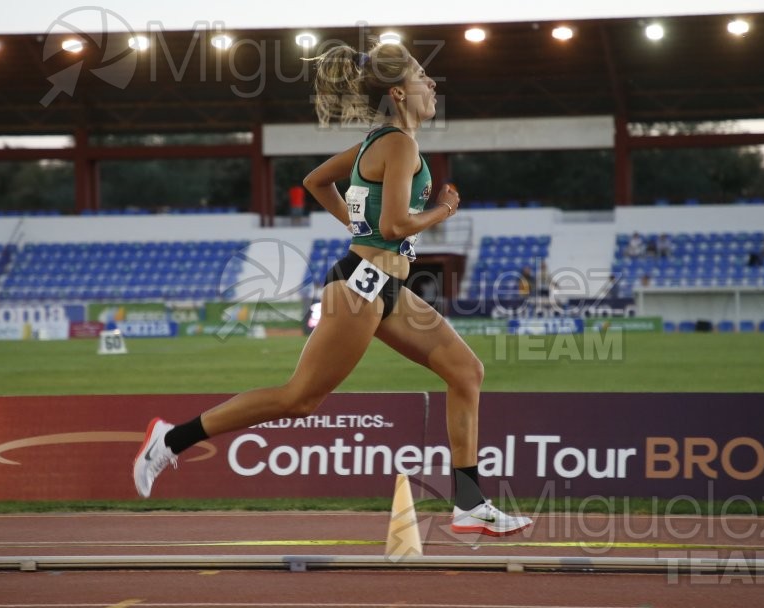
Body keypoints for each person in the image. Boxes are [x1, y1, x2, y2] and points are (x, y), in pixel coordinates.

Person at [133, 42, 532, 537]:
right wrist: (444, 210)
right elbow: (395, 225)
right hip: (359, 290)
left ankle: (470, 505)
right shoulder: (398, 145)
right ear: (398, 91)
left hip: (386, 288)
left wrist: (356, 225)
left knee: (466, 371)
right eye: (423, 77)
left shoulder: (382, 142)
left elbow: (317, 181)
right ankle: (170, 440)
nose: (432, 86)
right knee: (299, 398)